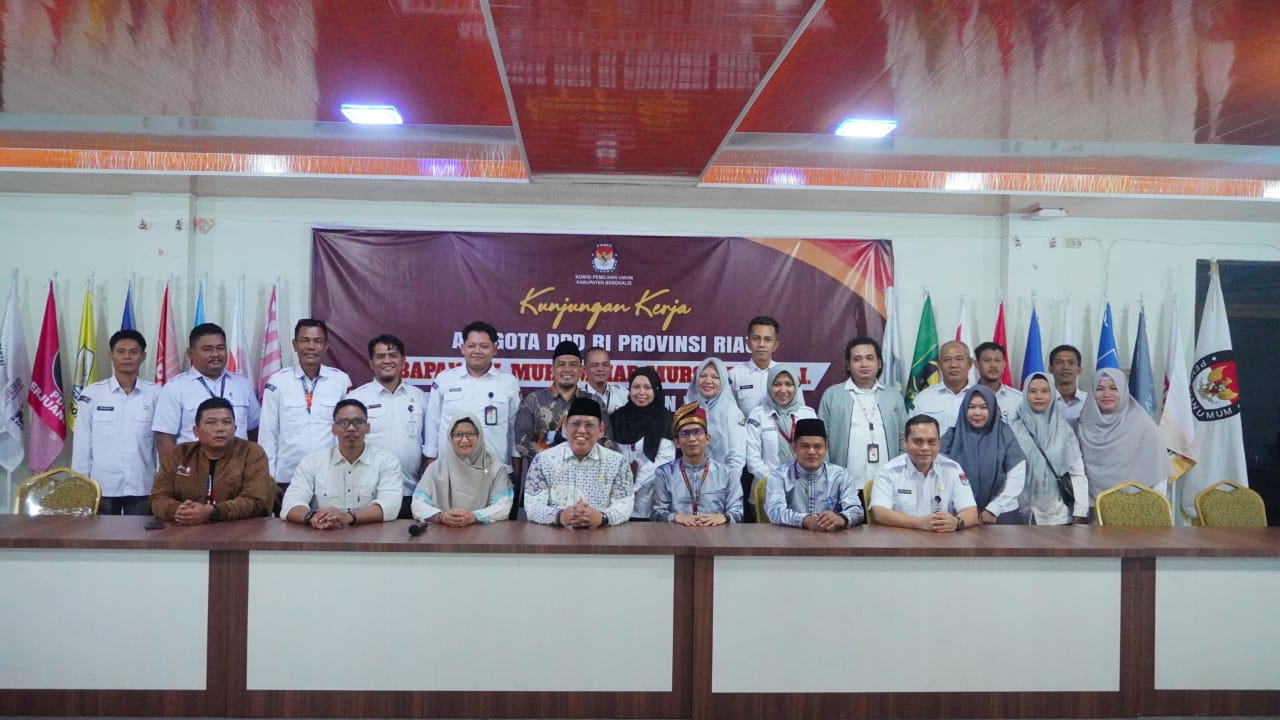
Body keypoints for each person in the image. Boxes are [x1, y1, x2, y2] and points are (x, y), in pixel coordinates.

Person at [259, 319, 351, 507]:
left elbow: (345, 431)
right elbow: (268, 434)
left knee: (328, 523)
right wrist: (269, 479)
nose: (311, 347)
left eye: (317, 341)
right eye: (305, 340)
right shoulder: (278, 382)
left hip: (330, 477)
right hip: (287, 477)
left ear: (326, 346)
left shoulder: (340, 381)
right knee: (287, 524)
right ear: (294, 344)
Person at [71, 329, 160, 515]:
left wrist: (162, 482)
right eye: (121, 351)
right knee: (101, 534)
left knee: (140, 534)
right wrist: (81, 484)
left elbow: (160, 444)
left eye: (133, 352)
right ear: (110, 355)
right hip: (102, 487)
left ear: (143, 357)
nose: (127, 357)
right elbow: (82, 444)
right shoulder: (92, 394)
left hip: (143, 486)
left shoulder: (156, 394)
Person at [150, 397, 274, 523]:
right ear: (196, 431)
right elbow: (158, 497)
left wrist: (213, 512)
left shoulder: (251, 452)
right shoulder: (180, 453)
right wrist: (180, 511)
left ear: (235, 428)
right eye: (211, 423)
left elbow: (254, 500)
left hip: (240, 528)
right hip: (186, 527)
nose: (219, 428)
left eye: (226, 422)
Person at [281, 399, 402, 528]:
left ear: (368, 428)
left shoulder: (387, 461)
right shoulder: (312, 461)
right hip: (323, 534)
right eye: (344, 423)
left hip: (372, 536)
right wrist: (313, 517)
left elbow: (390, 506)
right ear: (333, 429)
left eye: (358, 422)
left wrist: (348, 517)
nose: (351, 428)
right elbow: (291, 503)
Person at [346, 334, 427, 519]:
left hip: (412, 492)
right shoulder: (357, 398)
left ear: (403, 361)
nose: (387, 361)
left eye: (393, 355)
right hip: (371, 495)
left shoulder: (418, 396)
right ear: (371, 363)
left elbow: (428, 445)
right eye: (380, 356)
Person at [152, 322, 260, 460]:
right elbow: (165, 439)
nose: (215, 354)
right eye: (207, 349)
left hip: (237, 467)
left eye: (220, 348)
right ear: (191, 353)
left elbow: (254, 430)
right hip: (193, 468)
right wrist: (174, 471)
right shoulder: (175, 388)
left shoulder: (242, 385)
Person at [425, 321, 520, 475]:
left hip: (493, 471)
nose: (477, 351)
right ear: (462, 348)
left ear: (495, 349)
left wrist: (515, 472)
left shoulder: (508, 383)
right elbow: (432, 424)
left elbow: (514, 429)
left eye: (484, 346)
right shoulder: (445, 379)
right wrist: (431, 467)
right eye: (471, 346)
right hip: (450, 470)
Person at [524, 397, 634, 527]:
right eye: (575, 424)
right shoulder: (543, 460)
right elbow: (532, 506)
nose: (582, 430)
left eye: (589, 425)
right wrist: (559, 516)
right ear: (565, 427)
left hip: (600, 534)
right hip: (555, 534)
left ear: (601, 430)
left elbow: (625, 505)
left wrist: (603, 518)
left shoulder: (617, 463)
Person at [818, 337, 907, 489]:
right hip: (844, 484)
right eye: (857, 359)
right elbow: (822, 440)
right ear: (848, 365)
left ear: (879, 363)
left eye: (870, 358)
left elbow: (903, 439)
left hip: (887, 483)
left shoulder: (893, 396)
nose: (864, 364)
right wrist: (828, 479)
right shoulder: (832, 395)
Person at [1076, 367, 1170, 506]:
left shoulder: (1144, 426)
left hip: (1137, 507)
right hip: (1092, 507)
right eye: (1100, 389)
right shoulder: (1084, 425)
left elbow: (1158, 473)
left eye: (1114, 388)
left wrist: (1156, 508)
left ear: (1124, 390)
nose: (1107, 394)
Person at [870, 415, 979, 532]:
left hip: (942, 539)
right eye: (918, 441)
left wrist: (957, 522)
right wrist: (921, 523)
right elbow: (879, 513)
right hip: (901, 538)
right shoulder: (889, 472)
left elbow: (971, 511)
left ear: (939, 443)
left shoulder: (952, 469)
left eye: (931, 442)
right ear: (905, 442)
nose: (925, 447)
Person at [1010, 372, 1089, 525]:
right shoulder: (1014, 430)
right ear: (1025, 394)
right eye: (1033, 391)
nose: (1039, 396)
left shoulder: (1064, 431)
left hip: (1058, 515)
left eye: (1045, 391)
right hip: (1021, 513)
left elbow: (1077, 473)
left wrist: (1080, 511)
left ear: (1052, 394)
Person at [941, 385, 1027, 524]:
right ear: (964, 409)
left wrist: (994, 508)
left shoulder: (1004, 434)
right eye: (971, 407)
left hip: (1001, 513)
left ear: (992, 409)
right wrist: (964, 508)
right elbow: (940, 476)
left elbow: (1016, 475)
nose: (977, 412)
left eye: (983, 407)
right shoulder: (952, 436)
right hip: (960, 514)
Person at [411, 414, 514, 525]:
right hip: (444, 531)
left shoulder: (494, 468)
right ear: (451, 438)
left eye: (470, 434)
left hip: (484, 532)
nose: (464, 440)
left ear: (479, 436)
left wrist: (475, 516)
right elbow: (417, 504)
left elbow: (504, 505)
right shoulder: (436, 469)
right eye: (458, 434)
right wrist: (441, 516)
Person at [651, 402, 743, 524]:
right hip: (676, 532)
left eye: (697, 432)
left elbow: (738, 512)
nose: (692, 439)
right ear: (676, 442)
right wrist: (676, 517)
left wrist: (724, 517)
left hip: (716, 532)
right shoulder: (664, 473)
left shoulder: (727, 473)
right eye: (684, 434)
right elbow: (656, 513)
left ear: (707, 438)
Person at [764, 418, 864, 530]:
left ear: (826, 447)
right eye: (805, 446)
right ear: (794, 447)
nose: (811, 452)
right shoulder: (779, 475)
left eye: (818, 446)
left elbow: (856, 510)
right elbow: (775, 511)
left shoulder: (841, 476)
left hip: (832, 537)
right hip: (790, 537)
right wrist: (805, 520)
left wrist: (842, 519)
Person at [746, 364, 816, 510]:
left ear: (796, 387)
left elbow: (816, 455)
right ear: (769, 386)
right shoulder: (758, 415)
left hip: (804, 491)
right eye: (777, 384)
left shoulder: (807, 414)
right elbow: (753, 460)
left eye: (789, 384)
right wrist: (779, 482)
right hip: (767, 490)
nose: (783, 390)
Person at [610, 367, 676, 520]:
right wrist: (621, 485)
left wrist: (632, 486)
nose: (641, 392)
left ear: (656, 390)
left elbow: (664, 460)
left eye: (647, 387)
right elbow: (611, 454)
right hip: (617, 498)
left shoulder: (666, 420)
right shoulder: (617, 418)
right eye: (636, 387)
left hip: (652, 497)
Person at [684, 357, 746, 482]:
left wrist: (723, 485)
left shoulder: (732, 412)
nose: (708, 381)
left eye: (715, 377)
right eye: (703, 376)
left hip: (723, 482)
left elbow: (737, 458)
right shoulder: (687, 409)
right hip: (689, 482)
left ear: (723, 381)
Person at [911, 340, 972, 435]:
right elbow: (913, 434)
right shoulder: (923, 398)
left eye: (959, 359)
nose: (953, 365)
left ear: (970, 363)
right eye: (947, 360)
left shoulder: (981, 397)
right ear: (939, 365)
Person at [727, 316, 780, 417]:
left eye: (768, 340)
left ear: (775, 345)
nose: (761, 344)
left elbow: (799, 412)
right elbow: (728, 414)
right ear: (748, 343)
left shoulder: (786, 375)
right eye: (756, 339)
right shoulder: (734, 375)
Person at [973, 341, 1022, 424]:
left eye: (998, 360)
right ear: (977, 364)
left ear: (1004, 364)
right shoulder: (967, 397)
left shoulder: (1019, 399)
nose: (993, 365)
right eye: (987, 360)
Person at [1049, 344, 1088, 429]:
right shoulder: (1043, 401)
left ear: (1079, 370)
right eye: (1059, 362)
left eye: (1071, 363)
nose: (1065, 367)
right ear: (1050, 369)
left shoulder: (1089, 401)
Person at [582, 346, 627, 414]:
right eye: (595, 365)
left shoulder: (623, 394)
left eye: (605, 365)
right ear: (584, 370)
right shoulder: (577, 397)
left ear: (610, 368)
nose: (600, 369)